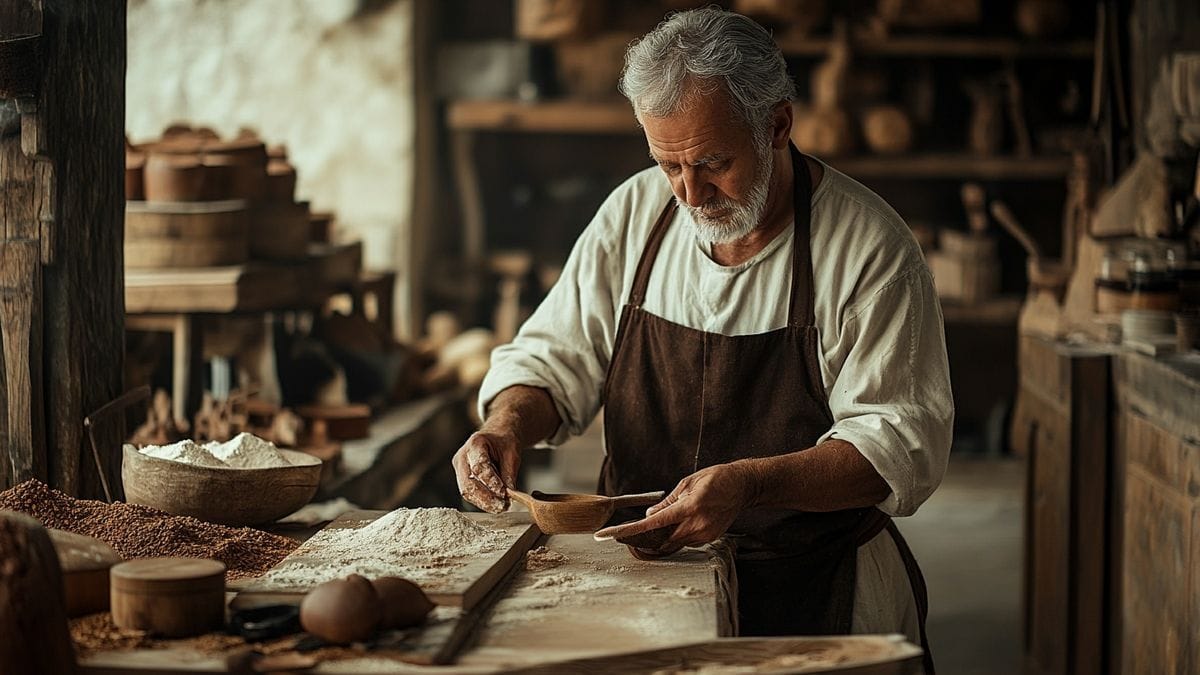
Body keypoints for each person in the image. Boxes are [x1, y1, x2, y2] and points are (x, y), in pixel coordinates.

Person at [452, 7, 950, 670]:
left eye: (713, 162)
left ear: (777, 125)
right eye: (668, 165)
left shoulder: (870, 251)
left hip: (811, 583)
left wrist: (749, 485)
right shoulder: (634, 215)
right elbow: (553, 359)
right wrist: (506, 425)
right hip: (642, 582)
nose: (690, 192)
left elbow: (896, 445)